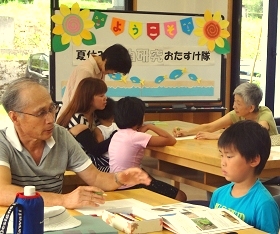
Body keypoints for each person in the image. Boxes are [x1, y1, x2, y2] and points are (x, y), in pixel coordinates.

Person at [0, 78, 151, 209]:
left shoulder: (61, 136)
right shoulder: (3, 141)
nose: (51, 119)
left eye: (52, 109)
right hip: (16, 219)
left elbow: (96, 178)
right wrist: (64, 200)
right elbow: (2, 191)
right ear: (15, 118)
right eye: (40, 113)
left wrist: (120, 178)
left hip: (56, 218)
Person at [108, 96, 187, 202]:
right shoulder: (136, 137)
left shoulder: (117, 134)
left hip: (115, 182)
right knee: (181, 196)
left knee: (151, 179)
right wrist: (150, 126)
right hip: (131, 184)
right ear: (139, 118)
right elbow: (170, 140)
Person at [209, 120, 280, 234]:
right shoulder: (218, 194)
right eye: (221, 155)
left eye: (229, 156)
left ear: (253, 160)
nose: (223, 162)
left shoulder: (264, 204)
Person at [173, 82, 278, 140]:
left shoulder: (265, 113)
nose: (234, 106)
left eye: (238, 103)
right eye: (234, 101)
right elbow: (210, 127)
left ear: (251, 108)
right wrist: (186, 132)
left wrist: (218, 136)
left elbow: (257, 133)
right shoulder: (238, 114)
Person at [57, 43, 132, 119]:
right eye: (114, 70)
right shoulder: (86, 71)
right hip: (72, 118)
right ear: (107, 60)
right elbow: (78, 102)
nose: (112, 73)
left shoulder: (101, 70)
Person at [57, 78, 112, 172]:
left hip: (87, 161)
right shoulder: (78, 119)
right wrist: (117, 136)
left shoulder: (94, 116)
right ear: (89, 98)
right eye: (101, 95)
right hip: (76, 164)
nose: (105, 98)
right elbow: (95, 150)